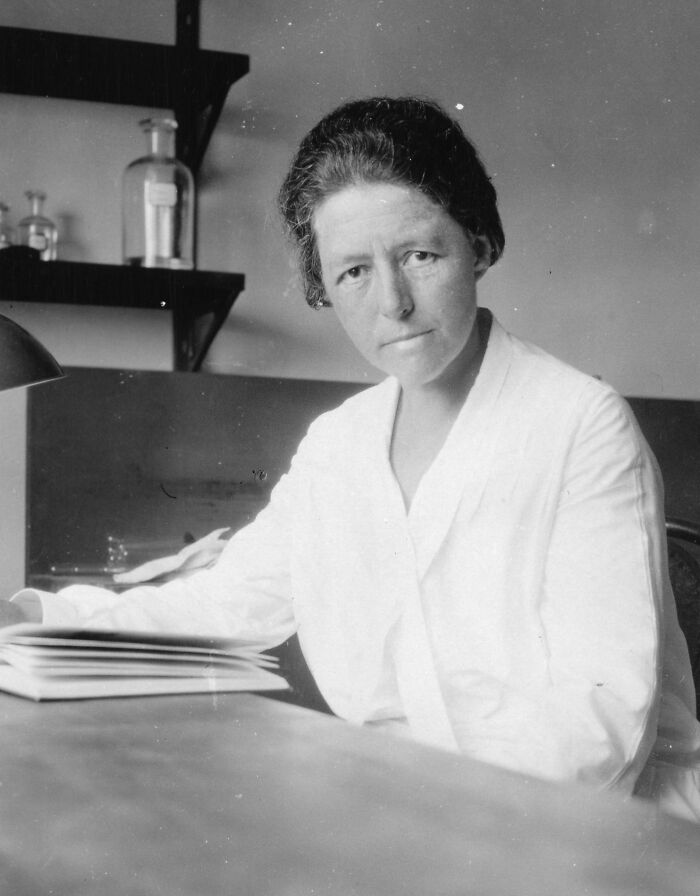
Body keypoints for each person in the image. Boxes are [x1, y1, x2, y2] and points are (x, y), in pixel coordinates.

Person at [3, 96, 700, 822]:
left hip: (604, 839)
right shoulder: (339, 445)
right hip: (404, 814)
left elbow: (601, 733)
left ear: (481, 245)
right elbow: (223, 602)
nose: (392, 302)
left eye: (420, 256)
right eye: (354, 273)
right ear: (323, 289)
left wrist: (401, 816)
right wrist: (28, 617)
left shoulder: (578, 424)